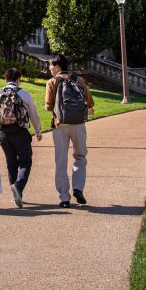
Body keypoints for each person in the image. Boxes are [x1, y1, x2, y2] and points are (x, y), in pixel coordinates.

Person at [44, 54, 95, 209]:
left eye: (50, 66)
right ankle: (78, 188)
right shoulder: (78, 80)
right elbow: (90, 101)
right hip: (78, 124)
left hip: (60, 125)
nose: (49, 68)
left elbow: (48, 106)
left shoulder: (52, 82)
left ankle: (65, 198)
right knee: (80, 156)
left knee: (61, 160)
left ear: (57, 67)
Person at [0, 68, 43, 208]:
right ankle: (18, 187)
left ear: (6, 79)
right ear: (18, 79)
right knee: (26, 162)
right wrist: (38, 131)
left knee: (11, 164)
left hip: (4, 133)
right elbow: (33, 114)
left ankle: (15, 195)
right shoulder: (24, 93)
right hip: (21, 131)